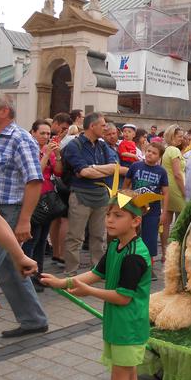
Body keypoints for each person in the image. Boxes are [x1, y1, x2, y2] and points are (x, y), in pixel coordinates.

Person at [41, 189, 153, 380]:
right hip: (118, 323)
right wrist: (62, 283)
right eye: (108, 214)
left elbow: (122, 298)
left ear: (135, 221)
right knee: (127, 373)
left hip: (129, 326)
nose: (109, 220)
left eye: (118, 215)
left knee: (119, 378)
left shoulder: (135, 255)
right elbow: (96, 274)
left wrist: (89, 291)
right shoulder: (115, 246)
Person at [0, 91, 48, 337]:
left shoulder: (20, 139)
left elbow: (34, 180)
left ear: (4, 111)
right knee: (10, 268)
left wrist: (24, 219)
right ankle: (34, 320)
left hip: (6, 214)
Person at [61, 112, 119, 276]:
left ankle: (98, 270)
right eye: (102, 125)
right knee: (75, 237)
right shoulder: (75, 145)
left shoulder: (102, 145)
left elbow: (114, 166)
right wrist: (94, 170)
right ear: (92, 126)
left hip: (101, 195)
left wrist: (91, 168)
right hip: (81, 196)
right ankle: (71, 271)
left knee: (99, 236)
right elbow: (84, 172)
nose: (106, 128)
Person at [22, 120, 62, 292]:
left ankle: (39, 275)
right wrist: (45, 155)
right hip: (33, 199)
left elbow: (58, 172)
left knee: (42, 239)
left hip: (47, 199)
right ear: (33, 132)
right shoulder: (29, 150)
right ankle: (27, 277)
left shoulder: (49, 150)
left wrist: (58, 155)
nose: (46, 137)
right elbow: (35, 173)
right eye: (42, 133)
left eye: (48, 134)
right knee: (32, 238)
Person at [123, 142, 169, 280]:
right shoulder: (136, 166)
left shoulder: (161, 171)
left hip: (153, 210)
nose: (150, 154)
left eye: (154, 153)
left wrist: (164, 212)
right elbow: (126, 185)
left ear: (159, 157)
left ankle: (148, 267)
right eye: (148, 151)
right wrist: (123, 203)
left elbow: (166, 193)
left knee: (150, 239)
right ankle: (129, 265)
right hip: (134, 207)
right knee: (132, 235)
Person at [161, 125, 186, 261]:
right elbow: (177, 173)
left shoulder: (166, 150)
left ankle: (165, 252)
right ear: (172, 136)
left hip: (167, 187)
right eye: (179, 136)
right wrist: (184, 191)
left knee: (166, 221)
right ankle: (175, 250)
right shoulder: (174, 150)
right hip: (176, 187)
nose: (181, 139)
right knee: (181, 219)